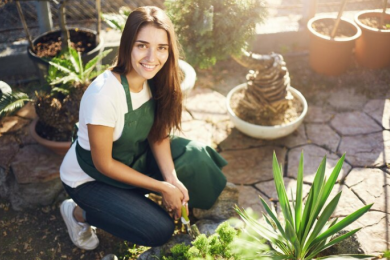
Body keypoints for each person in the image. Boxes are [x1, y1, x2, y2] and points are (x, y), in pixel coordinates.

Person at [59, 6, 227, 250]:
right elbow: (103, 164)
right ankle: (78, 213)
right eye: (142, 45)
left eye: (161, 48)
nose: (152, 57)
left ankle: (176, 202)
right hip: (90, 178)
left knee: (196, 156)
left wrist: (172, 179)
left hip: (131, 158)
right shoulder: (104, 94)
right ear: (127, 45)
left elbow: (158, 133)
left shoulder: (157, 79)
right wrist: (161, 188)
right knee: (158, 230)